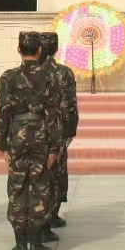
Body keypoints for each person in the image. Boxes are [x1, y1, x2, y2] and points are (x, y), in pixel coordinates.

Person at [0, 30, 59, 250]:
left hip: (17, 137)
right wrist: (55, 147)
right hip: (41, 136)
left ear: (19, 50)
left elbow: (2, 113)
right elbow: (54, 114)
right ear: (39, 50)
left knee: (17, 187)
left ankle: (20, 244)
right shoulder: (50, 76)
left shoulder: (8, 77)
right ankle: (35, 243)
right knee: (40, 186)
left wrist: (2, 144)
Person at [41, 30, 78, 231]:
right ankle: (52, 213)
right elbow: (70, 105)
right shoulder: (63, 72)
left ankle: (40, 214)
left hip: (33, 132)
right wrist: (70, 131)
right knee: (57, 172)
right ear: (56, 49)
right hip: (58, 131)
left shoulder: (29, 71)